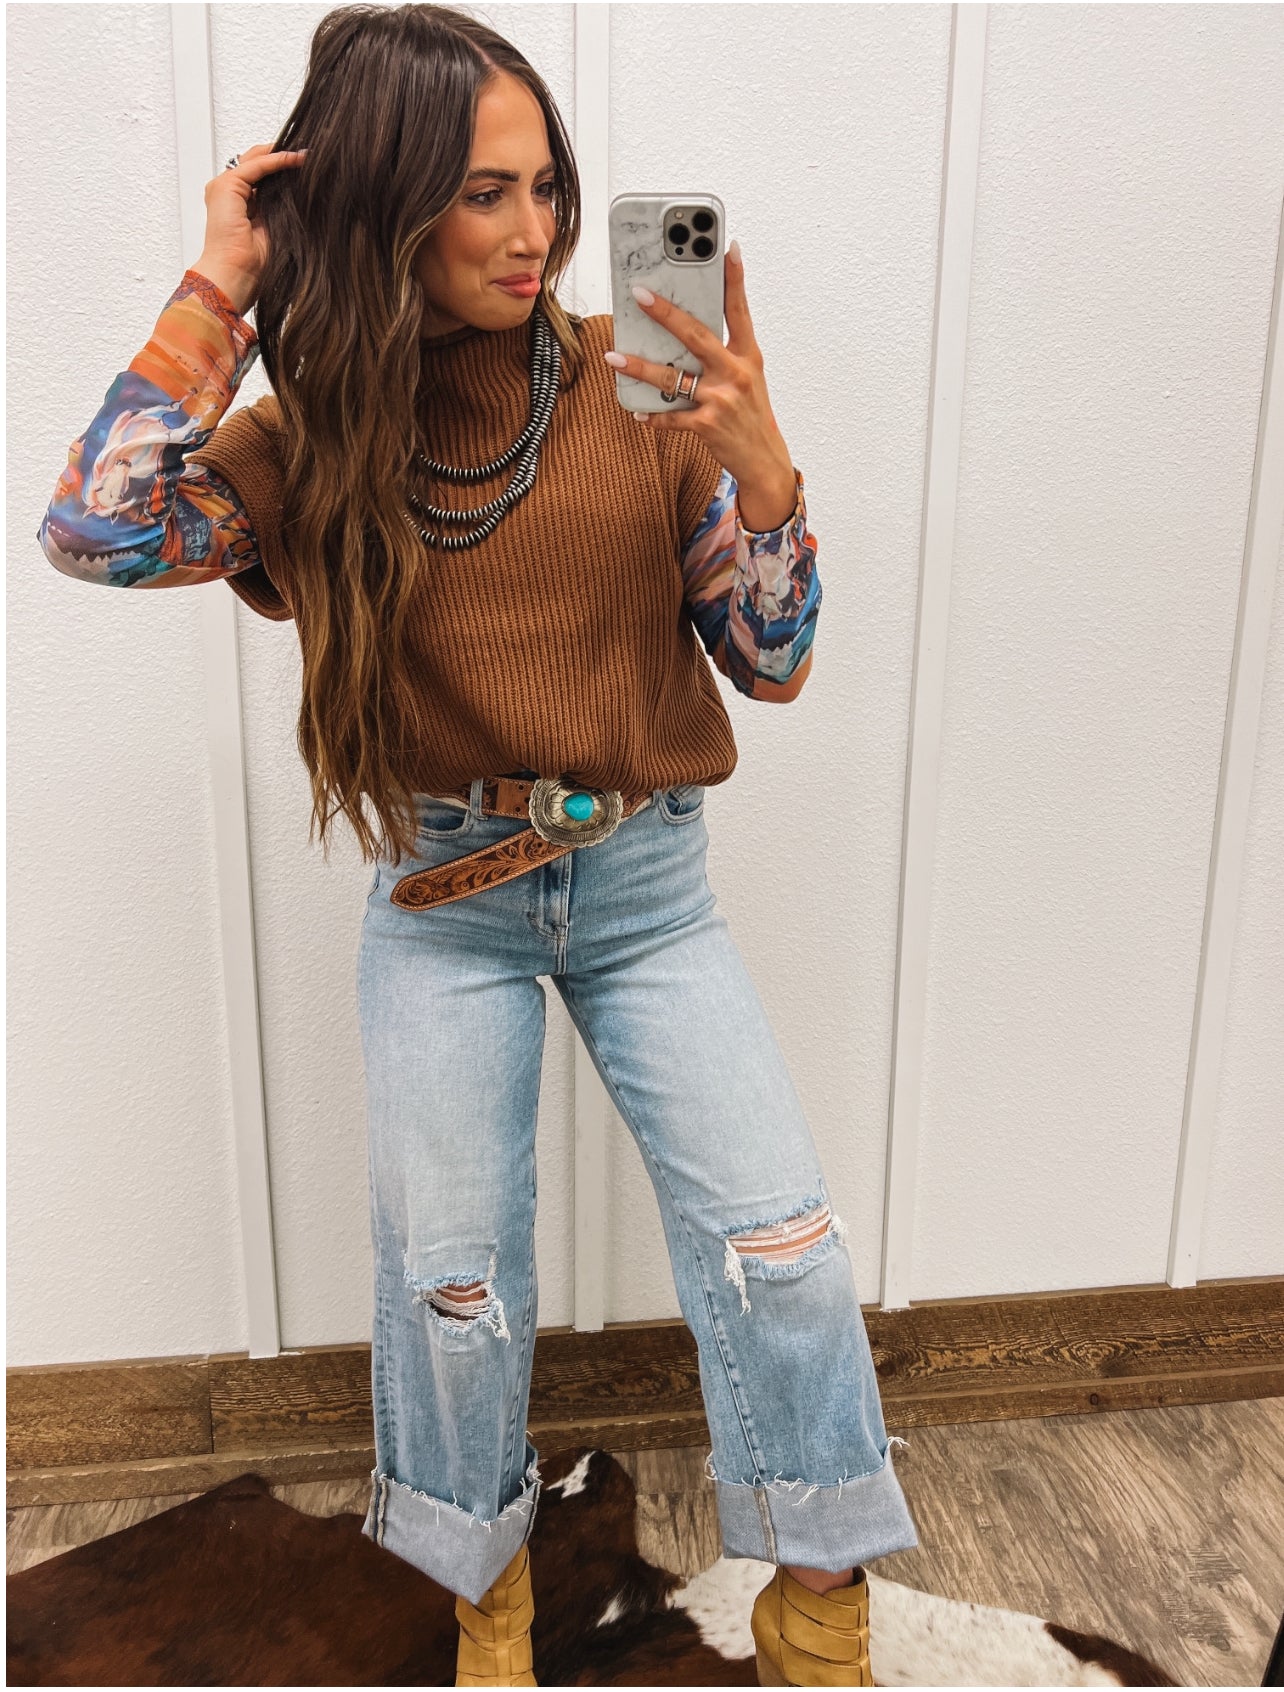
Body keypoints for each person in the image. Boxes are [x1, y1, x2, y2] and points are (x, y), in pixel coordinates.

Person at [38, 5, 919, 1684]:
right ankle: (486, 1600)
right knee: (454, 1293)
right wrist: (223, 280)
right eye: (483, 194)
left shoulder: (643, 380)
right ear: (387, 210)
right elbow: (97, 529)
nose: (535, 233)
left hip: (650, 894)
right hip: (446, 905)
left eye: (547, 187)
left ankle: (822, 1614)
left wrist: (764, 474)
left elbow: (773, 661)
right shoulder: (313, 437)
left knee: (785, 1256)